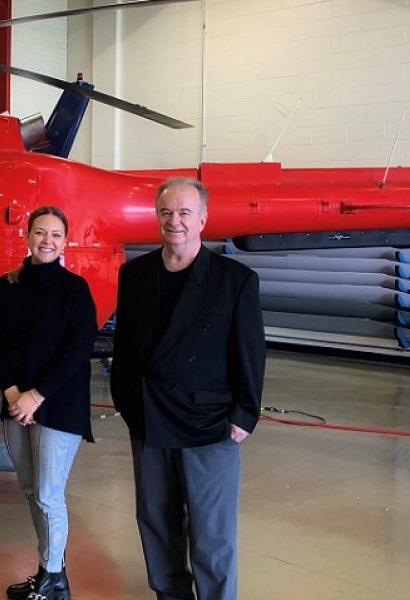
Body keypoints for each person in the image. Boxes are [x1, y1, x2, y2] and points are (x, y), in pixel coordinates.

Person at [111, 177, 265, 600]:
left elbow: (250, 351)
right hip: (149, 418)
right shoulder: (135, 275)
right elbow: (125, 348)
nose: (174, 221)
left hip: (210, 422)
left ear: (202, 219)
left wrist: (245, 412)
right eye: (166, 213)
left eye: (183, 213)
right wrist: (127, 403)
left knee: (211, 530)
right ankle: (169, 594)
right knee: (156, 521)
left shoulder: (235, 280)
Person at [0, 206, 97, 600]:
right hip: (16, 405)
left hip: (57, 407)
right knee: (31, 490)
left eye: (56, 234)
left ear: (65, 242)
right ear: (27, 237)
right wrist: (12, 392)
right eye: (40, 232)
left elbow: (77, 349)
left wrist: (36, 394)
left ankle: (53, 577)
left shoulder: (74, 290)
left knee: (49, 492)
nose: (47, 240)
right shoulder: (7, 285)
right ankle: (49, 571)